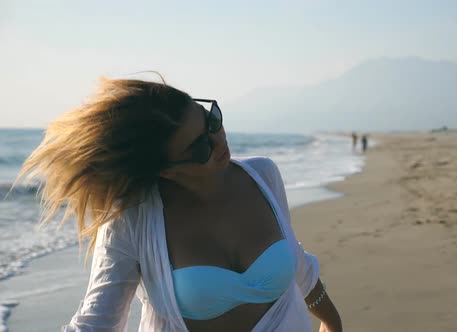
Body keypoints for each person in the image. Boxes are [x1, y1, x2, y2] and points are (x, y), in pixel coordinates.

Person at [16, 77, 343, 332]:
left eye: (211, 120)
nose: (219, 142)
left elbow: (294, 258)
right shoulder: (132, 220)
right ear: (166, 170)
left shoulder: (263, 175)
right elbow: (98, 323)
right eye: (200, 147)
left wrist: (331, 320)